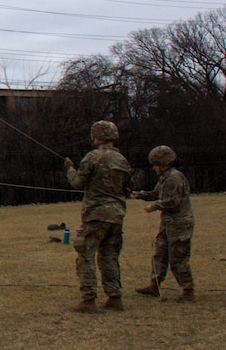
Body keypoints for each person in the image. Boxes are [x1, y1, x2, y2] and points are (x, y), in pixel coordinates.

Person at [64, 120, 131, 313]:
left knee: (85, 253)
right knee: (109, 255)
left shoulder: (93, 157)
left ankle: (88, 300)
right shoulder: (122, 160)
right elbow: (125, 187)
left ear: (97, 136)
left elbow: (78, 183)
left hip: (96, 215)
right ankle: (114, 297)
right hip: (117, 215)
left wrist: (69, 169)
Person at [131, 145, 195, 302]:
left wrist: (154, 206)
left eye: (156, 165)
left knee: (178, 258)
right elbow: (156, 193)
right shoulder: (165, 178)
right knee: (160, 253)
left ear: (166, 164)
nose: (154, 168)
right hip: (168, 224)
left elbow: (173, 201)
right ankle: (155, 285)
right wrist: (141, 195)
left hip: (179, 225)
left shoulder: (174, 178)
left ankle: (188, 291)